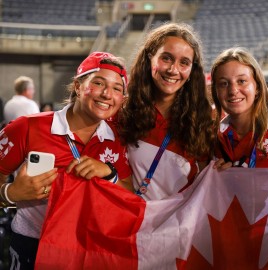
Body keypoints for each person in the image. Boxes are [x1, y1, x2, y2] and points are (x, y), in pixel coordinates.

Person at [0, 51, 132, 269]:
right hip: (34, 245)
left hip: (94, 248)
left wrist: (110, 173)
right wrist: (10, 193)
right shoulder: (27, 127)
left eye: (117, 88)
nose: (108, 94)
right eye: (98, 83)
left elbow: (129, 193)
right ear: (78, 87)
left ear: (123, 100)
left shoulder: (119, 139)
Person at [118, 22, 215, 200]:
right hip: (133, 220)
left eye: (184, 62)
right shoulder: (123, 111)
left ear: (192, 70)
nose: (173, 70)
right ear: (150, 58)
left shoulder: (204, 118)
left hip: (181, 224)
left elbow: (208, 181)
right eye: (166, 58)